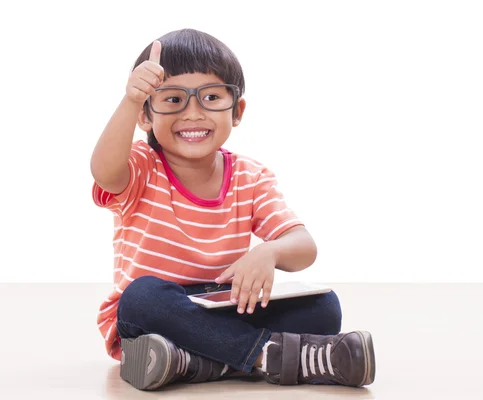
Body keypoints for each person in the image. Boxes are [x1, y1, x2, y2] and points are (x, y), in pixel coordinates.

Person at [90, 28, 376, 391]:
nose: (193, 114)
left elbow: (304, 246)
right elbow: (105, 172)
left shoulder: (249, 176)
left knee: (324, 306)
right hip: (156, 313)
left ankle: (196, 362)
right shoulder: (143, 166)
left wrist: (269, 252)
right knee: (142, 297)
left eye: (210, 97)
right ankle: (267, 357)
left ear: (237, 111)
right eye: (173, 100)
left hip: (224, 306)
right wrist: (130, 101)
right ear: (146, 116)